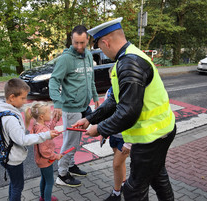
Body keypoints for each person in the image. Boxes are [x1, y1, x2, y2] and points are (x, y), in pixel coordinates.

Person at [73, 17, 176, 201]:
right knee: (158, 177)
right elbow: (114, 101)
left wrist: (99, 129)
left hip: (151, 137)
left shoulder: (129, 63)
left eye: (100, 47)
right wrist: (90, 119)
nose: (102, 52)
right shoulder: (127, 57)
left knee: (133, 191)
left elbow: (129, 112)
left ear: (106, 42)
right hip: (159, 132)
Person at [49, 25, 100, 187]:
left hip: (84, 106)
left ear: (88, 41)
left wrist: (95, 96)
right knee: (70, 142)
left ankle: (70, 165)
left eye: (82, 43)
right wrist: (57, 103)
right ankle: (62, 174)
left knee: (76, 141)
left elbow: (91, 78)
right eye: (76, 43)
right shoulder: (66, 59)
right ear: (71, 40)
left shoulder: (89, 56)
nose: (79, 46)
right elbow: (54, 81)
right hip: (71, 108)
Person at [0, 78, 60, 201]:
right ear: (12, 97)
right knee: (17, 186)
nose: (25, 102)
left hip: (5, 154)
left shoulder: (1, 109)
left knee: (14, 184)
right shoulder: (10, 118)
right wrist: (46, 136)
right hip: (13, 158)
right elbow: (22, 140)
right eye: (23, 98)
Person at [103, 67, 132, 201]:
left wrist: (129, 142)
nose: (113, 81)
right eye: (111, 78)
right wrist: (104, 132)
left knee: (116, 164)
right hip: (114, 134)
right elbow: (105, 112)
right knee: (119, 164)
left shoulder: (129, 93)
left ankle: (116, 193)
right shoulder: (110, 91)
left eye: (115, 78)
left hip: (125, 137)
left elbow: (135, 118)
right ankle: (124, 184)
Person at [26, 102, 63, 201]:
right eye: (49, 113)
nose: (51, 114)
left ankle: (42, 197)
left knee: (44, 178)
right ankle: (47, 199)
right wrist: (55, 156)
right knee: (50, 182)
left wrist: (55, 119)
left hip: (40, 160)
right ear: (42, 116)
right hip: (46, 160)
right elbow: (44, 151)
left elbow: (49, 129)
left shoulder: (38, 125)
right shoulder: (42, 131)